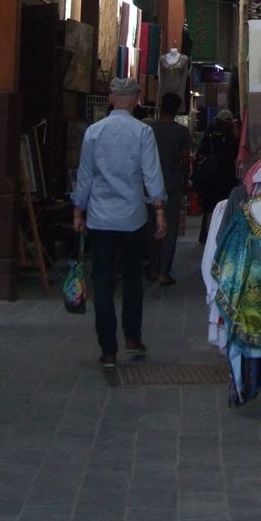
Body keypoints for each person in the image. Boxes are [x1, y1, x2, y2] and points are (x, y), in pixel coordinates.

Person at [72, 76, 166, 366]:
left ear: (112, 99)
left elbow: (84, 174)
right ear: (136, 100)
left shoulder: (94, 132)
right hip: (133, 217)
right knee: (133, 277)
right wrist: (159, 208)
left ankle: (108, 348)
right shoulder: (143, 133)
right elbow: (151, 173)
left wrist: (78, 209)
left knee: (102, 281)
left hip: (101, 218)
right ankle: (133, 335)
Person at [147, 92, 191, 285]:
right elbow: (185, 160)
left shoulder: (150, 130)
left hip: (150, 183)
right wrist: (186, 179)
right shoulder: (181, 132)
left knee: (151, 225)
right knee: (170, 227)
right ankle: (164, 271)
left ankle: (152, 268)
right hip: (172, 183)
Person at [192, 111, 238, 243]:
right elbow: (235, 154)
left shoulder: (210, 134)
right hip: (227, 176)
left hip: (211, 176)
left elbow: (201, 152)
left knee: (210, 208)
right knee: (225, 206)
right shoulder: (232, 137)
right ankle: (223, 236)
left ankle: (209, 239)